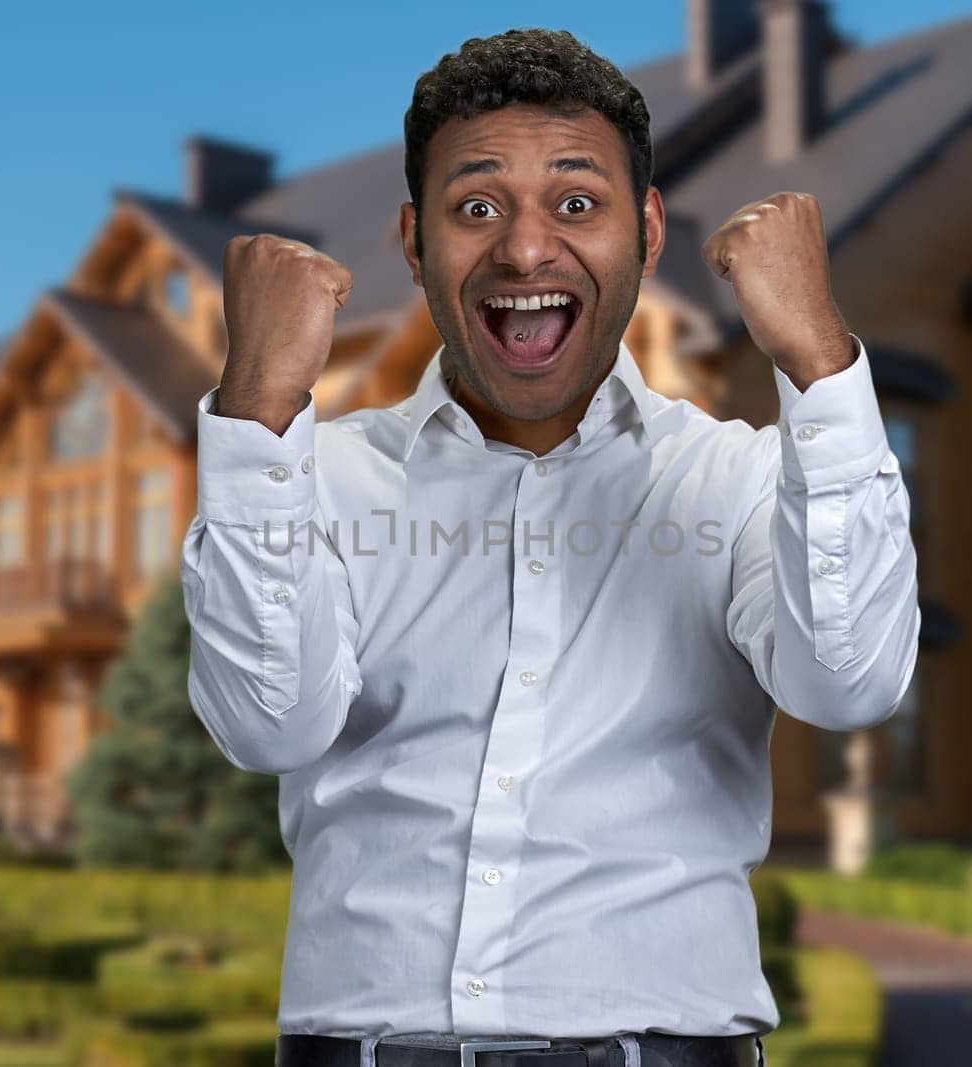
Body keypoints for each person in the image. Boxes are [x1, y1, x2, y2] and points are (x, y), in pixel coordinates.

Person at [181, 26, 919, 1067]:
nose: (526, 249)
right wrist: (256, 402)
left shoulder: (741, 479)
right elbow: (265, 725)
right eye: (475, 207)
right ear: (413, 240)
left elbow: (848, 682)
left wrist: (817, 357)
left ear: (648, 232)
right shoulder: (319, 479)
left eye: (577, 203)